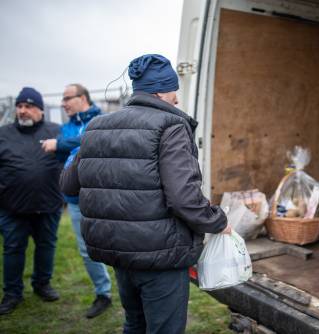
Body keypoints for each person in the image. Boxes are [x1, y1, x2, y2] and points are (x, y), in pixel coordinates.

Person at [60, 54, 231, 333]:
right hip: (160, 255)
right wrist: (218, 221)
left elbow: (68, 184)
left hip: (119, 253)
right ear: (162, 90)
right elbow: (183, 197)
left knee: (135, 323)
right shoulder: (171, 126)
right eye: (174, 92)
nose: (177, 98)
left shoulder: (95, 127)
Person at [41, 83, 112, 319]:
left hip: (103, 195)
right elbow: (69, 151)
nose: (63, 103)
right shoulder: (67, 128)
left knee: (118, 243)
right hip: (74, 200)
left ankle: (134, 290)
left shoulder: (101, 120)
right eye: (62, 99)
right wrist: (66, 146)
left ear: (83, 98)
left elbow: (91, 140)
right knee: (86, 250)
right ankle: (104, 293)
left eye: (67, 98)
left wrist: (60, 145)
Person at [0, 87, 63, 315]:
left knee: (46, 247)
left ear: (40, 110)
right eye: (19, 106)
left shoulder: (56, 131)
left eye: (28, 106)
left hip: (48, 205)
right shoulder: (3, 133)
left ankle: (42, 284)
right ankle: (12, 293)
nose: (23, 111)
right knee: (13, 249)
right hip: (12, 207)